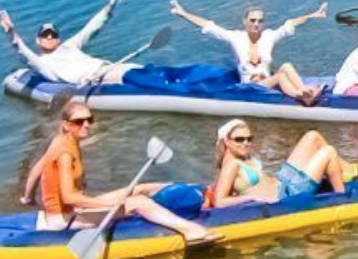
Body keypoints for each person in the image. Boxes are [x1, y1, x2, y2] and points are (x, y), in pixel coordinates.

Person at [20, 101, 214, 242]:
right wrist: (109, 205)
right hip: (64, 220)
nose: (86, 124)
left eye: (89, 119)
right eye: (79, 121)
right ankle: (190, 231)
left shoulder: (60, 141)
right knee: (138, 202)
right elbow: (69, 197)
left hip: (71, 210)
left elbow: (36, 170)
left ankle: (196, 190)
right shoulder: (65, 153)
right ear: (66, 125)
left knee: (140, 188)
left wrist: (27, 198)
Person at [169, 0, 329, 104]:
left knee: (286, 66)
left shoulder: (269, 36)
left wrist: (313, 15)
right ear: (244, 22)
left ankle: (303, 90)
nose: (256, 24)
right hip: (251, 87)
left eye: (260, 21)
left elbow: (290, 24)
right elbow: (209, 26)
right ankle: (300, 96)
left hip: (268, 82)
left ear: (264, 23)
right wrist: (183, 13)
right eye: (252, 20)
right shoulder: (235, 38)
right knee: (280, 76)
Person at [0, 0, 138, 86]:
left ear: (58, 39)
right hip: (98, 79)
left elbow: (91, 28)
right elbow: (22, 50)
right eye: (45, 35)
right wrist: (11, 33)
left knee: (144, 69)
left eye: (53, 35)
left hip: (109, 67)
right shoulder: (40, 63)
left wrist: (110, 6)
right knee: (141, 78)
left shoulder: (69, 45)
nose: (49, 38)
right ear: (37, 40)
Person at [210, 120, 348, 206]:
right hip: (288, 193)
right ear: (226, 141)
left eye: (249, 139)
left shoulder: (241, 157)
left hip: (283, 179)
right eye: (239, 139)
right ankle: (343, 199)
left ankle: (347, 169)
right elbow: (220, 201)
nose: (246, 143)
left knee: (312, 136)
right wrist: (250, 197)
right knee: (329, 151)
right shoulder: (231, 165)